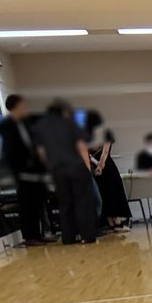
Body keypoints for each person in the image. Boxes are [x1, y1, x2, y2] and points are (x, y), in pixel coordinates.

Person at [32, 99, 96, 246]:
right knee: (82, 202)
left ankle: (68, 238)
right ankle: (86, 236)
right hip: (76, 167)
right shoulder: (70, 124)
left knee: (65, 204)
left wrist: (51, 167)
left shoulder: (41, 127)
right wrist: (88, 168)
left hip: (58, 170)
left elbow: (41, 152)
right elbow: (81, 146)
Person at [0, 93, 49, 246]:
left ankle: (38, 234)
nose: (25, 108)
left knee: (37, 201)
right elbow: (8, 151)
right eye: (22, 105)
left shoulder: (26, 123)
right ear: (15, 107)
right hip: (21, 172)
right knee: (27, 204)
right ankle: (29, 236)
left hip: (35, 170)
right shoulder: (6, 126)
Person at [85, 110, 131, 232]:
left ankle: (111, 222)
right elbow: (104, 152)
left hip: (97, 167)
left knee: (105, 194)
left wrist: (97, 165)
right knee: (111, 193)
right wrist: (100, 166)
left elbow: (91, 153)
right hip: (105, 167)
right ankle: (116, 222)